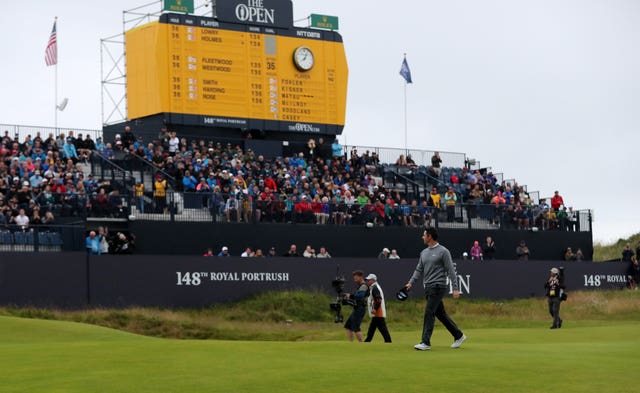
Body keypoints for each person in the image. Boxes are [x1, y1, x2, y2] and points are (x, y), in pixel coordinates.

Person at [405, 228, 466, 350]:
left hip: (438, 286)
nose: (422, 237)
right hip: (428, 287)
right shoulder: (423, 253)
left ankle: (425, 342)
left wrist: (455, 288)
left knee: (429, 312)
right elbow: (419, 269)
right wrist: (411, 282)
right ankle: (458, 335)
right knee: (440, 314)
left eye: (424, 235)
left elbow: (451, 271)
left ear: (430, 236)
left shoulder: (443, 251)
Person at [364, 273, 392, 343]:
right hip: (377, 313)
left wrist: (375, 309)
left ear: (373, 280)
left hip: (378, 313)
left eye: (368, 280)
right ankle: (367, 341)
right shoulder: (374, 287)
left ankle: (388, 342)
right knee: (373, 329)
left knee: (382, 329)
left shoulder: (375, 288)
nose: (367, 281)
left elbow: (378, 299)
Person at [344, 270, 369, 342]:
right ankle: (351, 344)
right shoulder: (360, 286)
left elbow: (360, 296)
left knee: (356, 327)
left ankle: (361, 344)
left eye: (356, 278)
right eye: (354, 278)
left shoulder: (363, 286)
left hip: (360, 309)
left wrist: (350, 296)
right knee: (348, 326)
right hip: (357, 308)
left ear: (361, 277)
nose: (354, 280)